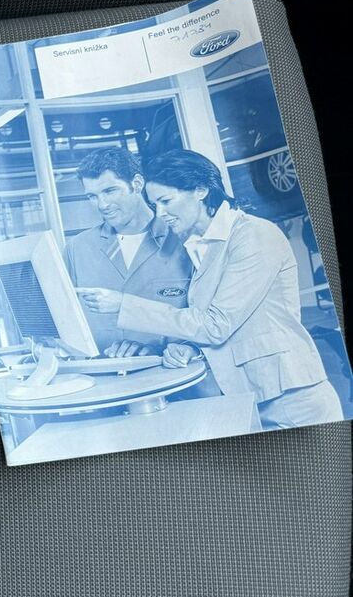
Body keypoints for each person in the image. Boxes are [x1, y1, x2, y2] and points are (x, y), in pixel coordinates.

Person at [77, 149, 343, 429]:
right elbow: (225, 321)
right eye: (155, 204)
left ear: (201, 190)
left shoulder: (254, 235)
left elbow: (216, 325)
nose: (160, 214)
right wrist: (191, 349)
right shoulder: (199, 244)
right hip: (247, 397)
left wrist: (123, 304)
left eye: (166, 201)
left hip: (292, 400)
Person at [64, 147, 193, 356]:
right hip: (104, 373)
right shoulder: (77, 248)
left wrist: (184, 348)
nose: (102, 205)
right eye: (92, 196)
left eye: (110, 191)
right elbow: (63, 321)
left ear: (137, 184)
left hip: (173, 370)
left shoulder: (184, 240)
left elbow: (208, 322)